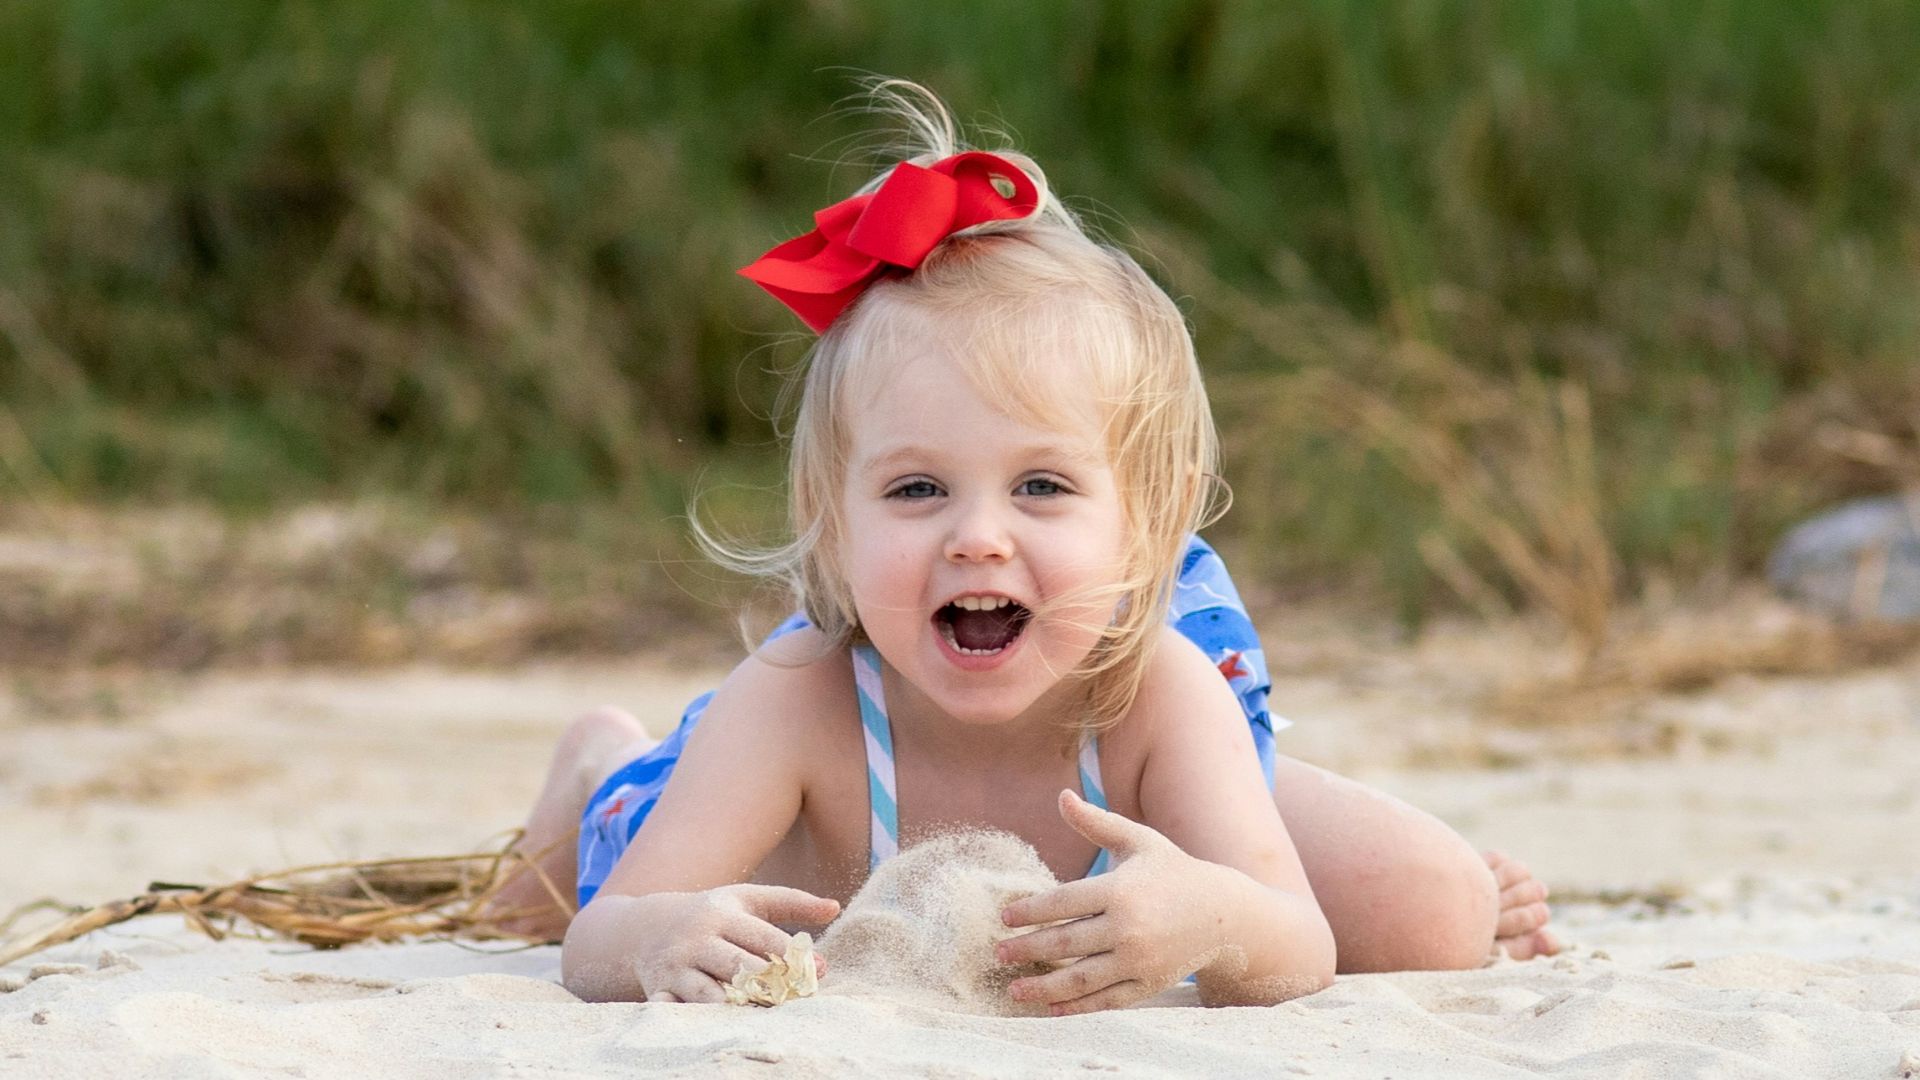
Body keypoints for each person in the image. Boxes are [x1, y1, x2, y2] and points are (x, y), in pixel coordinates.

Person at [490, 80, 1558, 1011]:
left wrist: (1211, 921)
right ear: (830, 519)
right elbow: (601, 937)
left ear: (1149, 522)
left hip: (1159, 737)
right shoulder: (798, 697)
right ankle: (596, 763)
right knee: (603, 849)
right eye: (917, 489)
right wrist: (659, 938)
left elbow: (1298, 941)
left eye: (1041, 485)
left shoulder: (1158, 696)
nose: (979, 538)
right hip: (693, 820)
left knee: (1412, 910)